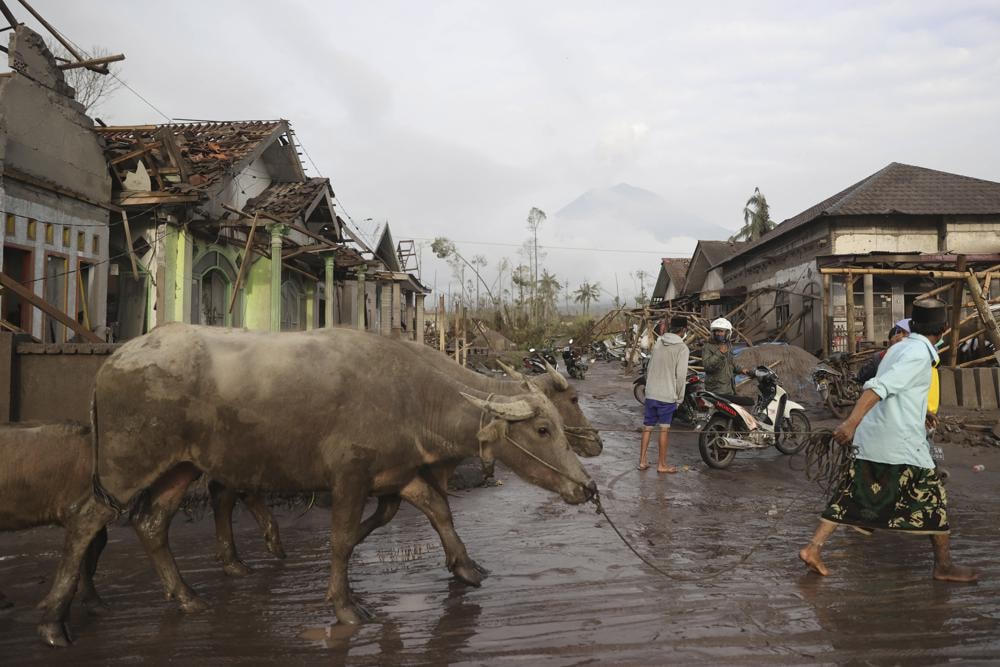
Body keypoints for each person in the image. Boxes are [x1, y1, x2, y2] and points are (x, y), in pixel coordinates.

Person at [798, 299, 977, 582]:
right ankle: (943, 566)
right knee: (934, 501)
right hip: (900, 444)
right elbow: (878, 388)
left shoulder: (901, 347)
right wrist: (850, 423)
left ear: (914, 324)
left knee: (850, 496)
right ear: (943, 330)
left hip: (876, 438)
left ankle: (813, 548)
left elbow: (898, 390)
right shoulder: (918, 354)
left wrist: (920, 414)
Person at [639, 316, 689, 473]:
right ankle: (662, 465)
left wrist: (649, 387)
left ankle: (642, 461)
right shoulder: (682, 349)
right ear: (684, 330)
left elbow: (649, 366)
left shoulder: (659, 342)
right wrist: (679, 397)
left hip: (651, 392)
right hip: (667, 395)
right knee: (664, 429)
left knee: (647, 427)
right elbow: (681, 377)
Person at [702, 318, 750, 396]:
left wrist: (741, 370)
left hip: (729, 388)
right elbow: (707, 366)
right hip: (716, 390)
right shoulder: (708, 346)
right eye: (717, 331)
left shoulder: (727, 345)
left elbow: (730, 362)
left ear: (727, 333)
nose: (718, 334)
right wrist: (719, 353)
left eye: (721, 331)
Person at [856, 319, 910, 385]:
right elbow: (862, 376)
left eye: (904, 333)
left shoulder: (881, 357)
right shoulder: (880, 357)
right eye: (900, 332)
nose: (900, 336)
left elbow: (861, 377)